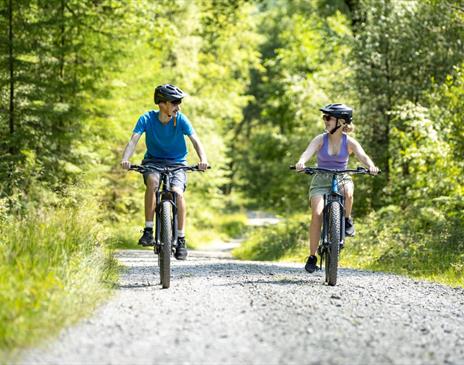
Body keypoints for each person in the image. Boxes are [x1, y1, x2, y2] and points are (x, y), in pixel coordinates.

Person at [121, 84, 209, 260]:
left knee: (177, 193)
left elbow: (196, 141)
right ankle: (148, 230)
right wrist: (126, 159)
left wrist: (203, 160)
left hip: (177, 163)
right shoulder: (146, 118)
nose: (178, 106)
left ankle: (181, 238)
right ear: (162, 104)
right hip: (153, 161)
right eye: (175, 102)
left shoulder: (181, 119)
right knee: (153, 183)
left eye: (179, 102)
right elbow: (133, 141)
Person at [295, 103, 379, 273]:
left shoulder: (350, 142)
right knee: (316, 213)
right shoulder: (320, 139)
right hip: (320, 180)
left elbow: (363, 157)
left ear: (341, 122)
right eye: (324, 117)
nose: (325, 121)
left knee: (348, 192)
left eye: (328, 118)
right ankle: (312, 256)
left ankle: (347, 219)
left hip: (342, 176)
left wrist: (372, 166)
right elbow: (307, 152)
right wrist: (301, 162)